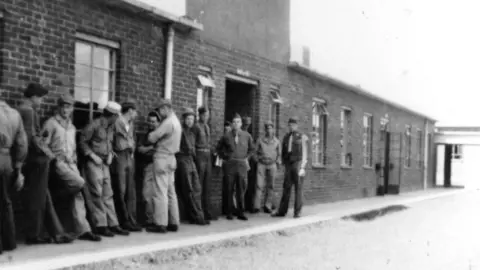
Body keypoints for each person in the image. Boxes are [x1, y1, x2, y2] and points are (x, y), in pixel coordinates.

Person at [18, 83, 73, 245]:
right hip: (35, 161)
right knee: (38, 198)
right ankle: (34, 235)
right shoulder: (29, 112)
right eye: (40, 98)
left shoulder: (22, 110)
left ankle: (56, 233)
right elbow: (30, 140)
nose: (41, 101)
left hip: (31, 161)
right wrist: (50, 155)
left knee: (43, 197)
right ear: (33, 97)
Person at [43, 94, 101, 241]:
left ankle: (84, 230)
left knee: (78, 194)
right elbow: (43, 144)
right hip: (58, 163)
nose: (65, 110)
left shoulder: (72, 127)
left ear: (72, 109)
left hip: (71, 164)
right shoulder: (51, 123)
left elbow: (73, 147)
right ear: (59, 107)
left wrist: (74, 158)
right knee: (80, 184)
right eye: (63, 106)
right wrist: (54, 159)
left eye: (68, 107)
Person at [79, 101, 129, 237]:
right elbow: (82, 142)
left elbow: (109, 143)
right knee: (97, 193)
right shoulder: (94, 125)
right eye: (116, 116)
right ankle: (101, 225)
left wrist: (111, 154)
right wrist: (92, 155)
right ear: (111, 115)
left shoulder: (111, 127)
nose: (117, 118)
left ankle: (113, 224)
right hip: (94, 162)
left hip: (105, 162)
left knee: (108, 193)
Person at [146, 99, 182, 233]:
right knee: (171, 191)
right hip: (172, 158)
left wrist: (151, 134)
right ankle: (174, 222)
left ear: (166, 108)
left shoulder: (167, 122)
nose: (159, 113)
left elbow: (152, 138)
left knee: (160, 191)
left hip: (162, 157)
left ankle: (160, 223)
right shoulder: (176, 121)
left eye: (160, 110)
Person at [0, 96, 28, 254]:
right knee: (6, 200)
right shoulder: (14, 114)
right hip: (7, 160)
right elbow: (22, 144)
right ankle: (9, 242)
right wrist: (17, 167)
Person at [217, 113, 255, 221]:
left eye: (238, 122)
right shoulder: (226, 136)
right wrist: (225, 157)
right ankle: (229, 212)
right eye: (234, 122)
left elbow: (252, 149)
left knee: (241, 189)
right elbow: (219, 148)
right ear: (232, 124)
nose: (236, 124)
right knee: (229, 188)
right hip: (230, 165)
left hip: (242, 164)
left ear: (241, 124)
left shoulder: (247, 136)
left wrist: (247, 158)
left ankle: (240, 212)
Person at [111, 100, 142, 232]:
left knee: (131, 190)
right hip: (119, 156)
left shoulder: (131, 123)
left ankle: (131, 220)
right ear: (130, 111)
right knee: (120, 189)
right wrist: (111, 152)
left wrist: (133, 149)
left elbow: (132, 138)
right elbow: (109, 138)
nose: (136, 113)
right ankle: (122, 221)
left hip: (129, 156)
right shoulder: (116, 122)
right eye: (135, 111)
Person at [176, 107, 209, 225]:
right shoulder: (180, 132)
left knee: (197, 188)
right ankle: (196, 216)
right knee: (188, 189)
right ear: (183, 119)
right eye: (188, 118)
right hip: (182, 160)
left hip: (191, 161)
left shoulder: (192, 132)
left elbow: (193, 148)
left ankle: (198, 215)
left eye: (192, 119)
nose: (190, 121)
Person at [272, 117, 308, 219]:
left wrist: (303, 167)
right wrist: (284, 164)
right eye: (289, 125)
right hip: (288, 165)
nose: (291, 127)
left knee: (298, 188)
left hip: (298, 163)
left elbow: (305, 153)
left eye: (293, 125)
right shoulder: (286, 137)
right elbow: (284, 153)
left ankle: (297, 212)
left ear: (297, 125)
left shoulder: (302, 137)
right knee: (286, 188)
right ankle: (282, 211)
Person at [138, 110, 162, 228]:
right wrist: (151, 147)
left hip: (157, 166)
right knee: (147, 194)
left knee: (153, 194)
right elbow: (139, 149)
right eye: (150, 121)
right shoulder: (145, 135)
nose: (151, 124)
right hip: (147, 166)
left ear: (158, 122)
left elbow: (158, 150)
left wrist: (147, 148)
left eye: (154, 121)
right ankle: (150, 219)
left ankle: (153, 220)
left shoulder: (160, 135)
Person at [253, 120, 281, 214]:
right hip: (262, 164)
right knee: (259, 185)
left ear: (273, 129)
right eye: (267, 128)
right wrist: (257, 160)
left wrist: (277, 162)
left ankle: (267, 205)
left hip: (272, 165)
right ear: (265, 130)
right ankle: (256, 206)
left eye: (270, 128)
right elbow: (255, 152)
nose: (269, 130)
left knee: (271, 186)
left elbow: (279, 154)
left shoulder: (277, 141)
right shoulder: (260, 140)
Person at [193, 106, 215, 221]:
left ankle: (207, 211)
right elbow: (193, 144)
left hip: (207, 156)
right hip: (200, 155)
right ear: (200, 115)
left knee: (207, 185)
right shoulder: (196, 127)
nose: (206, 117)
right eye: (204, 115)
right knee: (199, 184)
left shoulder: (207, 127)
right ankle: (199, 212)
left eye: (207, 115)